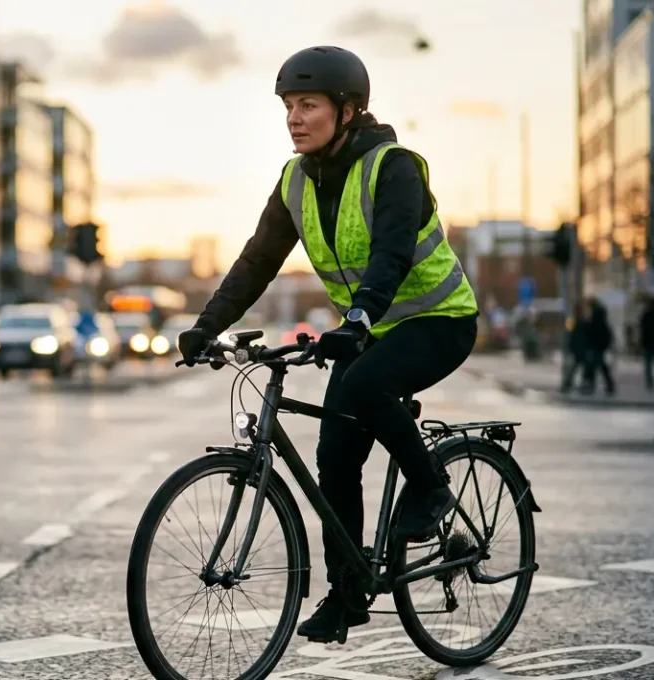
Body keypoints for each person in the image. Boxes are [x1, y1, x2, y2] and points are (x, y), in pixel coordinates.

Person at [175, 45, 481, 644]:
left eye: (308, 104)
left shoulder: (394, 166)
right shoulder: (295, 180)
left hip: (439, 321)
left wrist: (360, 317)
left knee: (367, 385)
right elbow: (258, 260)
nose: (294, 117)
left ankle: (431, 487)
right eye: (288, 106)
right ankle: (347, 594)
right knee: (335, 456)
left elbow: (392, 253)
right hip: (367, 330)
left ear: (347, 111)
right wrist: (206, 325)